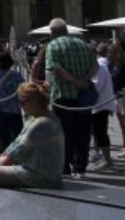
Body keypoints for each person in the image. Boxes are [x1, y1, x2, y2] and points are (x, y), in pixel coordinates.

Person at [44, 18, 98, 177]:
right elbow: (96, 66)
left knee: (64, 133)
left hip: (64, 96)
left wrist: (74, 81)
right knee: (83, 132)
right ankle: (80, 167)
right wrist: (84, 81)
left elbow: (56, 68)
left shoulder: (53, 45)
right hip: (84, 96)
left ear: (53, 32)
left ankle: (64, 167)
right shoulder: (84, 45)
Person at [0, 52, 24, 155]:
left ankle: (4, 155)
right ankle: (17, 155)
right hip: (14, 109)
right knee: (17, 134)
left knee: (3, 135)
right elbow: (23, 90)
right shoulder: (17, 75)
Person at [89, 44, 117, 169]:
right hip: (99, 105)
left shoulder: (99, 66)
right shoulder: (98, 65)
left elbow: (97, 86)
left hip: (101, 104)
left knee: (101, 133)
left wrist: (83, 82)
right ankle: (99, 155)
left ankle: (108, 160)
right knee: (96, 132)